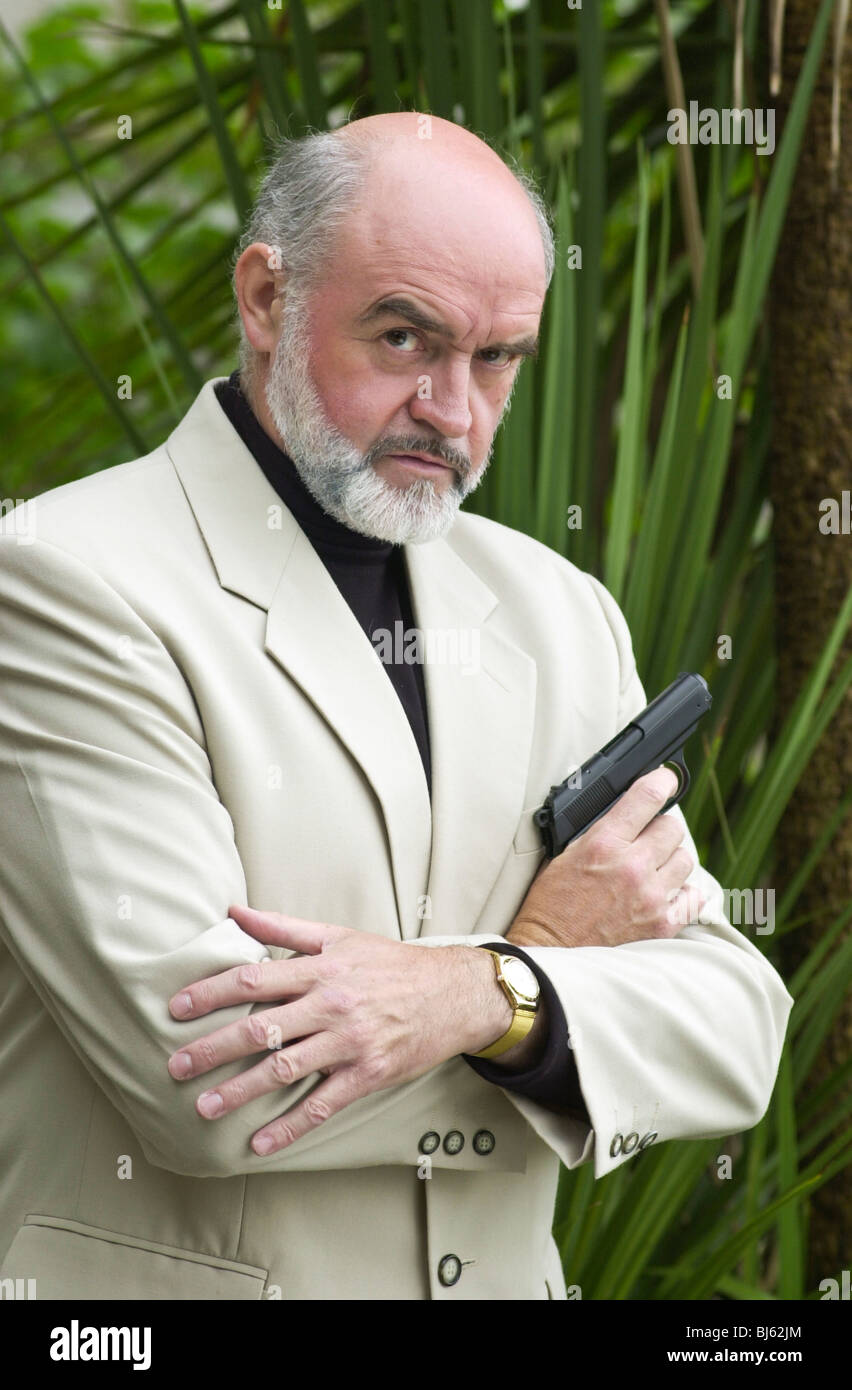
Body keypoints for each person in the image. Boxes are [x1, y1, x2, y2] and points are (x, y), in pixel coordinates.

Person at [0, 112, 792, 1301]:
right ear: (266, 296)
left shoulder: (561, 612)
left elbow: (734, 1028)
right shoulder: (62, 578)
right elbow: (208, 1088)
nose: (454, 411)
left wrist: (487, 994)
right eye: (405, 335)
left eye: (498, 357)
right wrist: (549, 975)